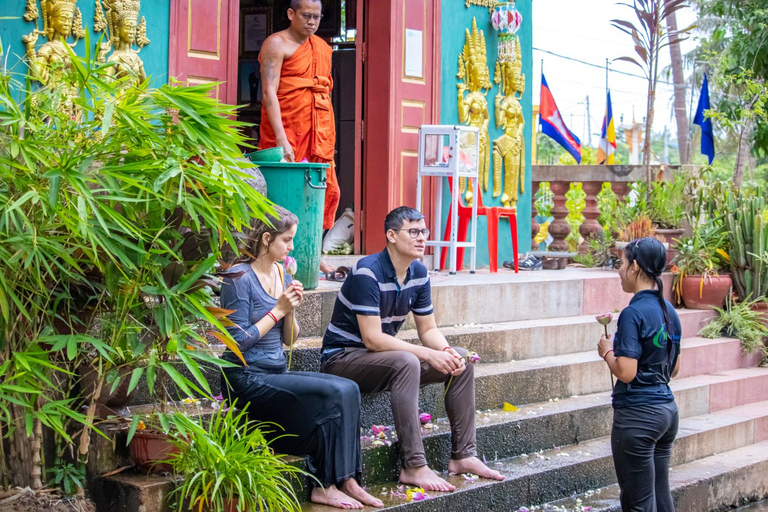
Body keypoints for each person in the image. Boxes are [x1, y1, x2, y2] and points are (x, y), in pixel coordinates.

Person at [321, 206, 505, 492]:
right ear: (392, 236)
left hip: (381, 360)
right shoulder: (366, 272)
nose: (422, 238)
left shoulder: (418, 272)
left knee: (462, 360)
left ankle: (464, 455)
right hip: (343, 358)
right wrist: (428, 354)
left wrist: (446, 352)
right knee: (408, 361)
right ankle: (414, 465)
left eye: (424, 232)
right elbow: (373, 339)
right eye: (414, 232)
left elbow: (428, 330)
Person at [219, 206, 382, 510]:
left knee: (348, 388)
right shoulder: (238, 277)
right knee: (333, 392)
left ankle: (349, 480)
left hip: (275, 370)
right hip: (246, 377)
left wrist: (290, 309)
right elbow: (236, 342)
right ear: (266, 238)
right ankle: (322, 486)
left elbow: (289, 339)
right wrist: (277, 310)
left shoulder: (280, 271)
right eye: (287, 240)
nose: (292, 247)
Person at [597, 237, 682, 511]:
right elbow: (675, 368)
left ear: (634, 266)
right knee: (661, 499)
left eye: (621, 263)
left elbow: (626, 372)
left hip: (638, 417)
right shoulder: (669, 310)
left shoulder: (633, 313)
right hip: (667, 412)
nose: (619, 270)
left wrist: (607, 351)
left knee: (639, 504)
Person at [258, 0, 340, 275]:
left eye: (317, 16)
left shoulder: (323, 48)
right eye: (306, 15)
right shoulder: (276, 43)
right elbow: (269, 92)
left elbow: (324, 92)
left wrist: (326, 134)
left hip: (318, 130)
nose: (312, 21)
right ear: (291, 14)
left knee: (320, 191)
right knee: (285, 193)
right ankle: (274, 257)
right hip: (287, 129)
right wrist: (281, 140)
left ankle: (311, 253)